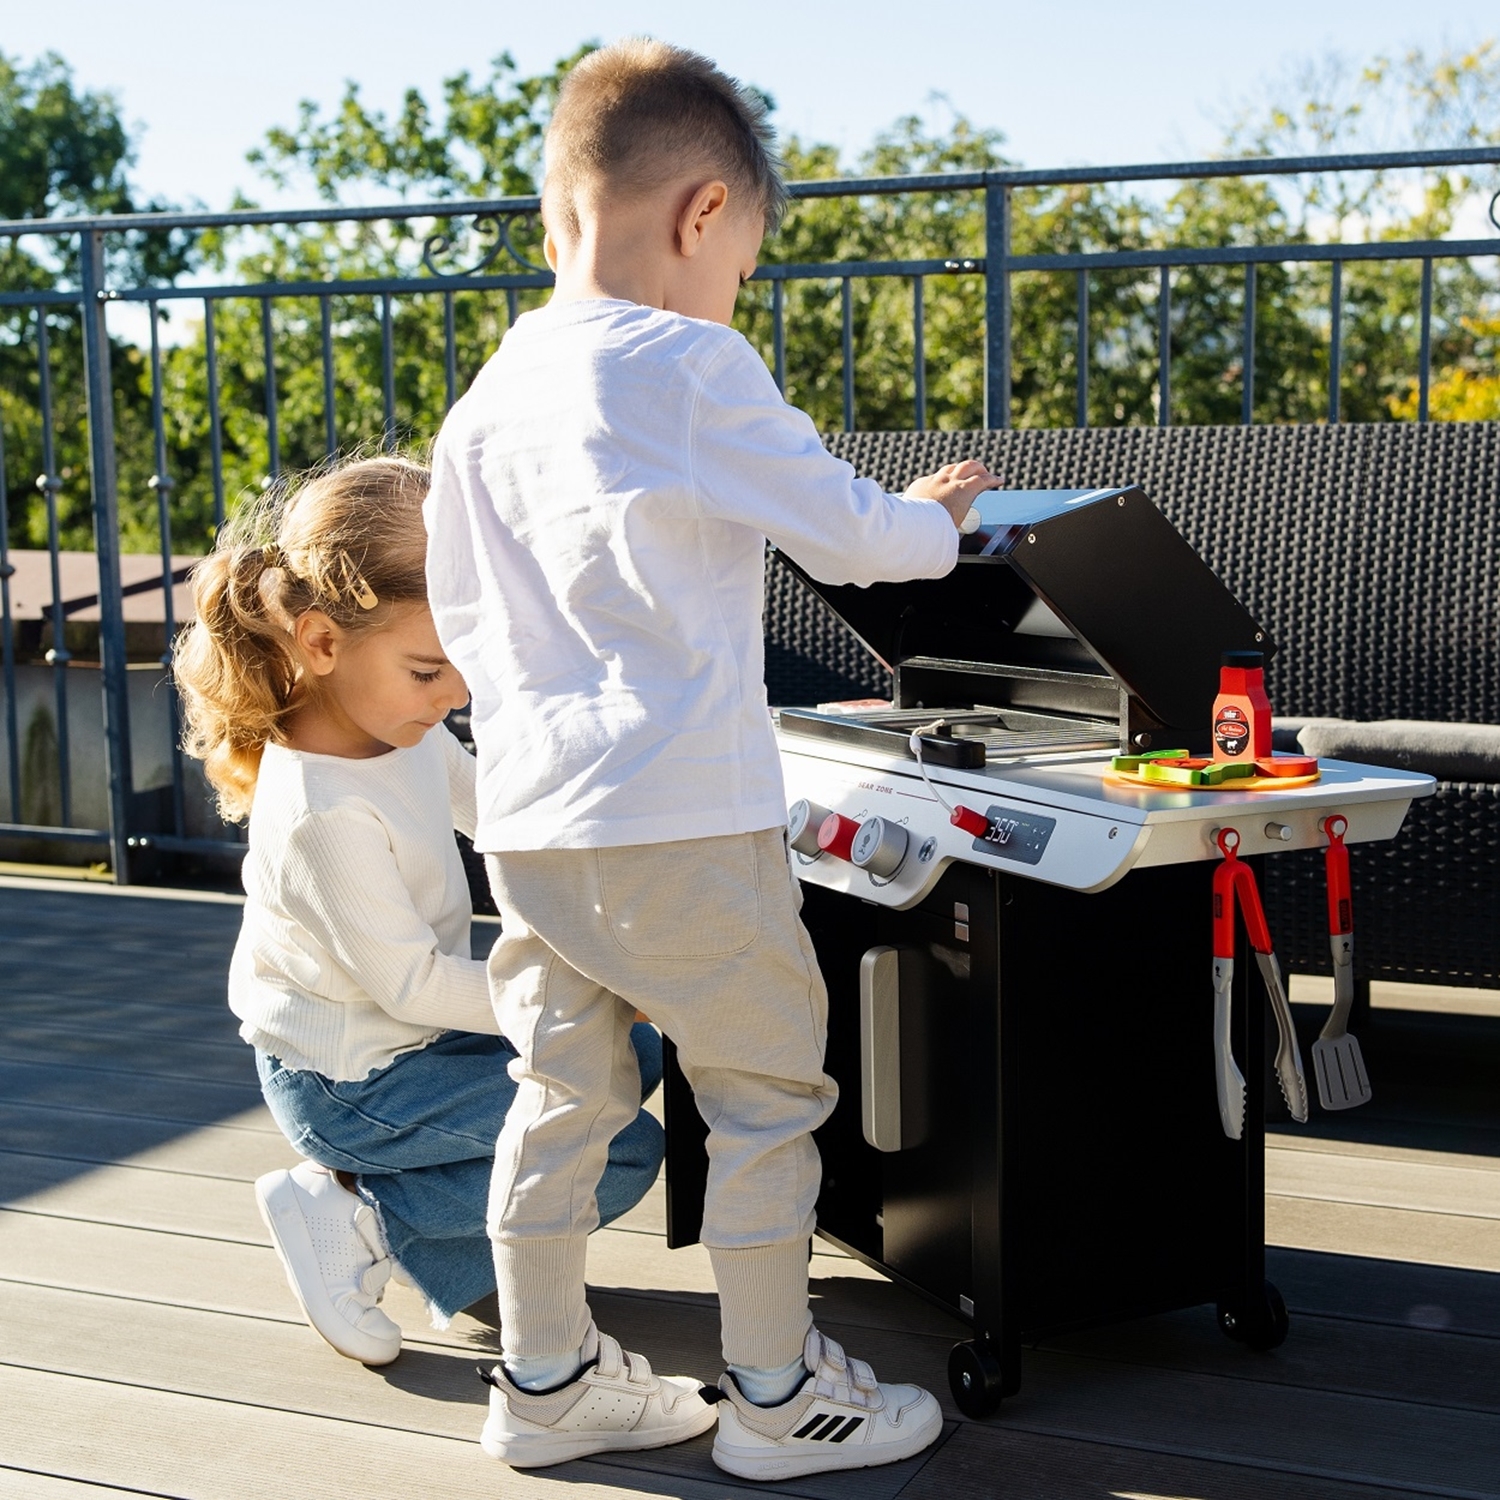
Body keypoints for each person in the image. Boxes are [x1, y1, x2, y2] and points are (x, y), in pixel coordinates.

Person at [425, 40, 998, 1478]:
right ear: (704, 213)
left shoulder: (485, 401)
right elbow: (851, 535)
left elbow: (464, 617)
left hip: (532, 822)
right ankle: (776, 1395)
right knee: (761, 1094)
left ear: (558, 218)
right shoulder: (689, 362)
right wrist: (930, 520)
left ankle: (543, 1383)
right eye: (743, 262)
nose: (736, 288)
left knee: (561, 1095)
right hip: (681, 814)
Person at [174, 455, 665, 1366]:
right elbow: (412, 985)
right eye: (431, 670)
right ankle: (361, 1213)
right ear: (321, 643)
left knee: (631, 1056)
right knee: (623, 1146)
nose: (458, 695)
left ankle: (430, 1229)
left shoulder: (396, 727)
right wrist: (577, 990)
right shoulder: (323, 813)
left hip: (411, 1043)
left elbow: (498, 817)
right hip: (351, 1082)